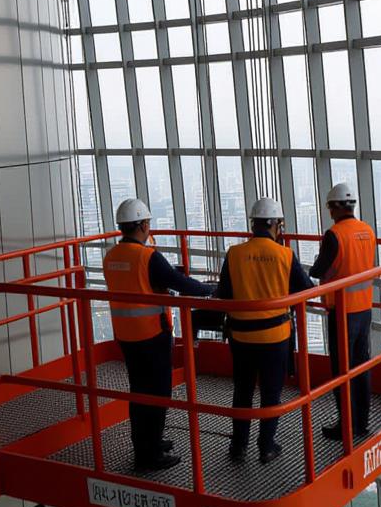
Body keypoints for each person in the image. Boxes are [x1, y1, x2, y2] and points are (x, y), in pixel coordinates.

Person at [103, 198, 214, 471]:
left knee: (139, 391)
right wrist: (210, 289)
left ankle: (147, 443)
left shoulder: (111, 256)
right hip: (152, 335)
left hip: (126, 336)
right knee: (158, 393)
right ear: (142, 225)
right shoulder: (147, 257)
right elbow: (180, 283)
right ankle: (149, 454)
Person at [215, 198, 315, 464]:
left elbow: (223, 294)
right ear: (277, 225)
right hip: (275, 337)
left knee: (242, 391)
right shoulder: (284, 255)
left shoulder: (234, 254)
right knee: (271, 393)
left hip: (241, 336)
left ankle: (238, 446)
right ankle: (266, 446)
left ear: (253, 224)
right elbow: (306, 289)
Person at [308, 183, 376, 440]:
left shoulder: (334, 235)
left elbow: (318, 269)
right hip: (364, 309)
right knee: (360, 367)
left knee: (342, 371)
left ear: (333, 208)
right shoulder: (367, 231)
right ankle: (361, 423)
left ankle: (346, 425)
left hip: (342, 311)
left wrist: (312, 268)